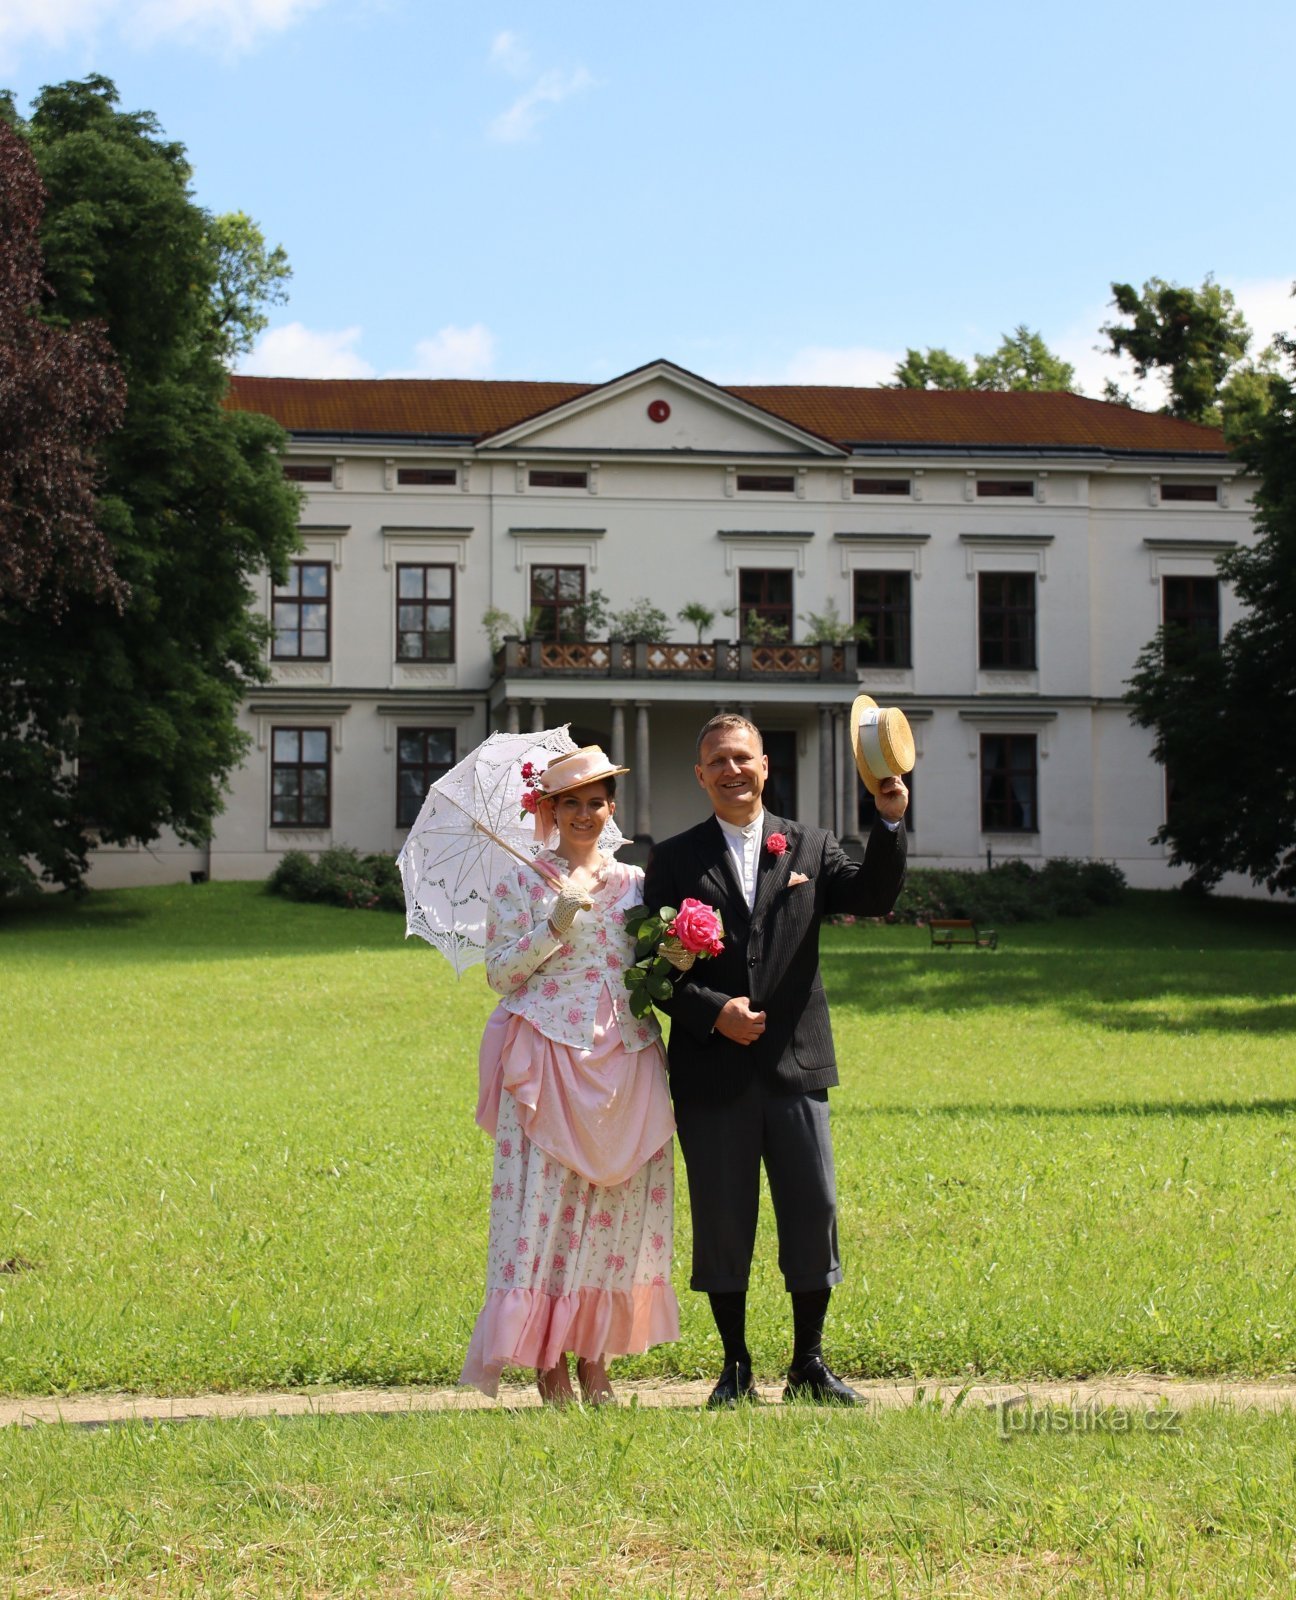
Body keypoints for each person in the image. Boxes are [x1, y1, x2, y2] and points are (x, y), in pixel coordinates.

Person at [642, 712, 907, 1407]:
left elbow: (873, 896)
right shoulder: (675, 860)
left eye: (743, 757)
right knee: (723, 1220)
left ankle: (808, 1365)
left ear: (765, 766)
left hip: (796, 1064)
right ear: (700, 776)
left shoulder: (810, 845)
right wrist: (712, 1012)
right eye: (717, 761)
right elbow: (653, 971)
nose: (732, 770)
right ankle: (734, 1367)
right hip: (712, 1071)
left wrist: (888, 821)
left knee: (813, 1210)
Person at [460, 745, 679, 1404]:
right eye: (571, 803)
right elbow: (500, 975)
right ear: (549, 811)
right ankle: (546, 1361)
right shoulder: (519, 883)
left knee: (613, 1215)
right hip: (549, 1056)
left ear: (612, 809)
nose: (585, 814)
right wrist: (553, 925)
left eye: (596, 802)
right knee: (547, 1210)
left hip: (627, 1055)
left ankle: (594, 1358)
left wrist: (677, 956)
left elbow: (646, 968)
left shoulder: (636, 884)